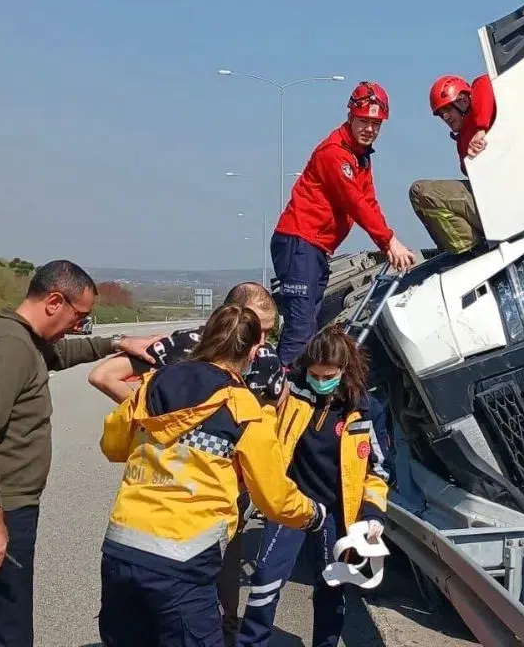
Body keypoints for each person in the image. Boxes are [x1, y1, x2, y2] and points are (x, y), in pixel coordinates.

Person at [0, 260, 162, 647]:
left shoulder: (19, 339)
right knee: (8, 628)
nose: (78, 327)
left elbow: (59, 356)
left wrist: (116, 344)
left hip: (2, 504)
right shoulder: (10, 349)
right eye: (79, 316)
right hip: (0, 508)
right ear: (53, 301)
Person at [96, 302, 325, 646]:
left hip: (121, 549)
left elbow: (112, 445)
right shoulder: (245, 410)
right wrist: (313, 515)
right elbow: (275, 499)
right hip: (183, 562)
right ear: (251, 353)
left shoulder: (152, 384)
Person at [236, 325, 390, 647]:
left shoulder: (364, 410)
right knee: (265, 578)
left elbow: (378, 469)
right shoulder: (292, 391)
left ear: (344, 371)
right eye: (315, 375)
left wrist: (373, 513)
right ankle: (251, 642)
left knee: (331, 586)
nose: (320, 382)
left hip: (336, 511)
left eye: (328, 376)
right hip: (293, 503)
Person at [271, 80, 417, 366]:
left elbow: (369, 201)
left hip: (315, 248)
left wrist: (389, 243)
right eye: (364, 121)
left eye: (376, 124)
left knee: (309, 330)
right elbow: (355, 202)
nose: (370, 129)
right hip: (300, 242)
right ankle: (278, 398)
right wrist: (388, 241)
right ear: (350, 117)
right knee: (300, 332)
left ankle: (299, 394)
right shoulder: (334, 154)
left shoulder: (360, 158)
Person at [408, 73, 497, 256]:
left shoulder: (483, 115)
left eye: (448, 109)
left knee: (421, 191)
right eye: (441, 114)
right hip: (489, 199)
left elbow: (483, 82)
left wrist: (480, 130)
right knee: (421, 195)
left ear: (463, 101)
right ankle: (463, 247)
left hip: (499, 200)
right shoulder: (461, 140)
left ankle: (469, 252)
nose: (445, 117)